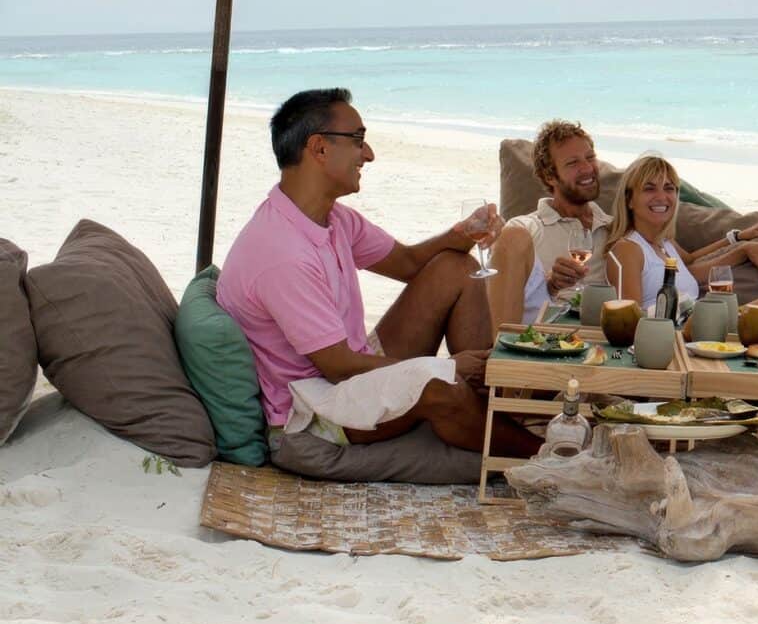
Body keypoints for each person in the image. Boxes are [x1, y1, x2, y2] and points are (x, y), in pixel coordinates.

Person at [217, 88, 537, 471]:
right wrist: (446, 368)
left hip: (349, 368)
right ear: (319, 149)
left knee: (455, 266)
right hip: (315, 405)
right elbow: (336, 366)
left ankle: (486, 408)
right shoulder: (280, 252)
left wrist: (458, 236)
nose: (368, 155)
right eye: (358, 140)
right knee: (438, 387)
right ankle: (545, 453)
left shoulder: (335, 219)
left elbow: (407, 263)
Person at [607, 153, 758, 333]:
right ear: (629, 199)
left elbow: (691, 266)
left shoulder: (663, 243)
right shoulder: (628, 249)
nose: (662, 196)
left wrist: (740, 244)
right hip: (693, 333)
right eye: (649, 188)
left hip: (705, 324)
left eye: (669, 188)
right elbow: (630, 323)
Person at [485, 119, 611, 327]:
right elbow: (499, 292)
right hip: (541, 338)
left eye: (590, 158)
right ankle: (502, 357)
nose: (587, 168)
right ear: (549, 176)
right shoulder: (525, 228)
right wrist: (550, 284)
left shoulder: (616, 228)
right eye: (573, 163)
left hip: (602, 340)